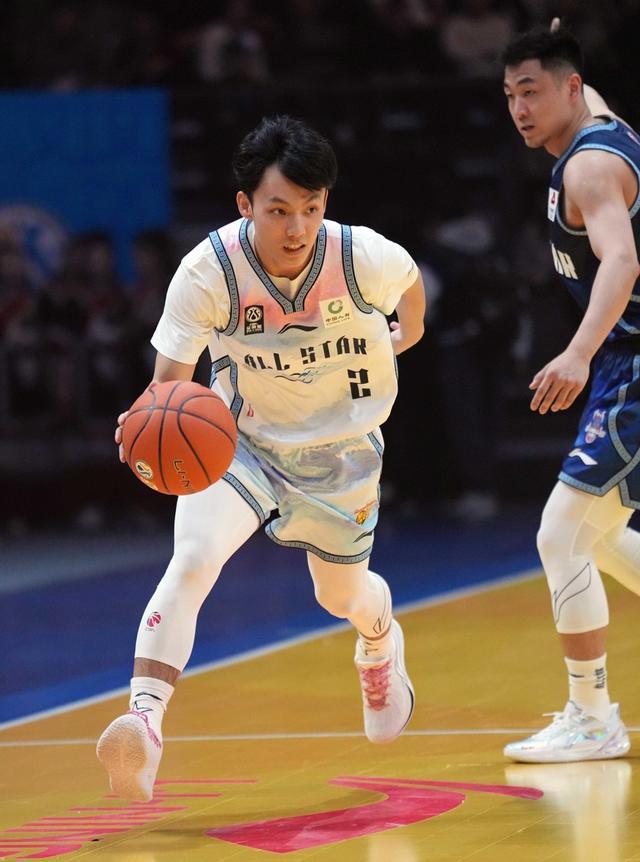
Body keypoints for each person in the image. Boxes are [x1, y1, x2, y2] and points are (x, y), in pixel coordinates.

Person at [96, 115, 426, 801]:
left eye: (311, 208)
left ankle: (378, 640)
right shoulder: (208, 272)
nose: (297, 227)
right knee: (193, 559)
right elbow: (171, 388)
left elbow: (410, 281)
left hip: (340, 451)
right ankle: (143, 723)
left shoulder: (361, 256)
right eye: (279, 210)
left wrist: (410, 330)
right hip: (239, 442)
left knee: (339, 596)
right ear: (246, 205)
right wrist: (151, 418)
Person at [501, 21, 640, 763]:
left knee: (561, 534)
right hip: (625, 361)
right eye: (509, 94)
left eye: (532, 91)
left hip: (632, 364)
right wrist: (560, 43)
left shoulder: (589, 168)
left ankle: (592, 716)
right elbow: (587, 90)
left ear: (570, 89)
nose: (520, 109)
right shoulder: (599, 122)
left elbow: (621, 261)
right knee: (602, 535)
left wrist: (578, 353)